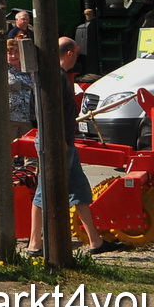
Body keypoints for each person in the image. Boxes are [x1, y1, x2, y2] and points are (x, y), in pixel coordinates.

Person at [25, 37, 110, 258]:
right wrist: (58, 139)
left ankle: (95, 241)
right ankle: (34, 244)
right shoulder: (56, 76)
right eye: (76, 54)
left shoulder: (54, 75)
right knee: (44, 192)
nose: (77, 59)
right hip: (57, 141)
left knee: (79, 190)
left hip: (64, 141)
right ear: (69, 53)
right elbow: (48, 111)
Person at [5, 37, 36, 136]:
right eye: (10, 53)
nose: (13, 56)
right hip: (9, 118)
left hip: (26, 117)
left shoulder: (28, 69)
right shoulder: (2, 70)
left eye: (16, 52)